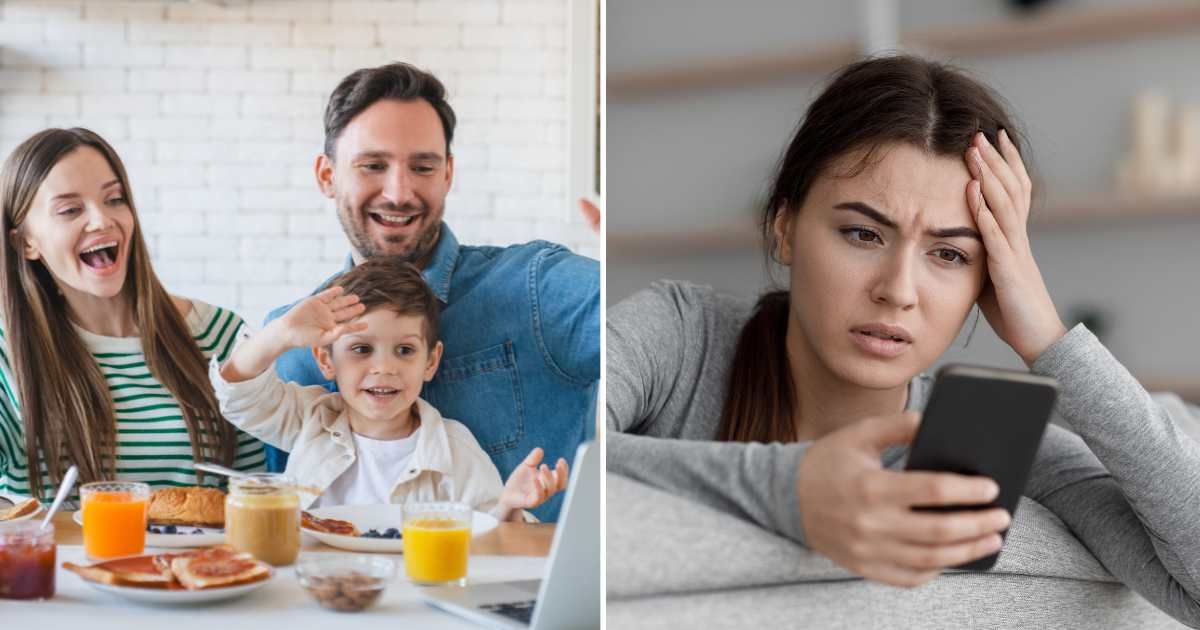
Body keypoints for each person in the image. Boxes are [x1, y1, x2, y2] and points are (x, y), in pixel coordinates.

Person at [606, 55, 1200, 624]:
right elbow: (555, 455)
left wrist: (1048, 337)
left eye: (949, 253)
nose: (898, 291)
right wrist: (791, 489)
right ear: (785, 228)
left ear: (988, 276)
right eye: (863, 234)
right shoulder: (682, 337)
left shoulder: (987, 452)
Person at [265, 62, 599, 521]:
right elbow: (285, 516)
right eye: (372, 165)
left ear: (448, 174)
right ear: (327, 176)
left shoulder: (537, 287)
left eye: (423, 166)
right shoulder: (294, 345)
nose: (399, 192)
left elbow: (658, 333)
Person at [0, 128, 264, 502]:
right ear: (25, 242)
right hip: (58, 562)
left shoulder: (221, 335)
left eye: (114, 199)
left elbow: (255, 494)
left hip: (202, 560)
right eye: (70, 210)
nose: (102, 220)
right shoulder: (8, 351)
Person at [212, 257, 569, 520]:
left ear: (430, 362)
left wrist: (510, 504)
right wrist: (278, 334)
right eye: (361, 349)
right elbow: (240, 396)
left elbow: (488, 537)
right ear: (325, 359)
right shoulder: (311, 420)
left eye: (405, 350)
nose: (383, 368)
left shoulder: (454, 448)